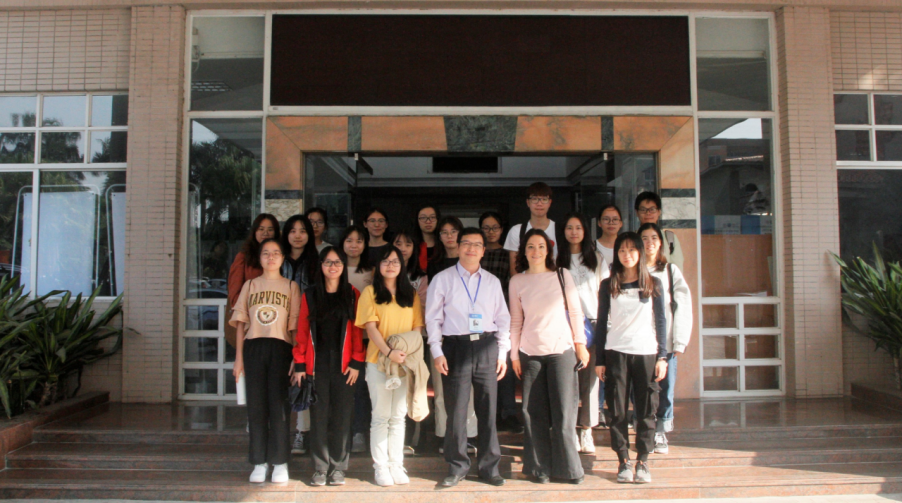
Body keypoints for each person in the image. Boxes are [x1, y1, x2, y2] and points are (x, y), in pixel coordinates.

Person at [426, 227, 511, 488]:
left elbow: (503, 319)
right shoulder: (442, 279)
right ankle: (457, 466)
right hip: (455, 348)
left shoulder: (492, 282)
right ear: (458, 246)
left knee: (488, 410)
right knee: (456, 411)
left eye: (477, 244)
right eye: (466, 243)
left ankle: (489, 467)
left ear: (483, 251)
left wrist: (503, 352)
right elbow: (432, 318)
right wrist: (437, 351)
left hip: (487, 346)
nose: (471, 248)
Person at [509, 229, 588, 485]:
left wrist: (580, 344)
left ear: (548, 250)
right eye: (530, 246)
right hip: (530, 353)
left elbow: (575, 312)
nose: (536, 251)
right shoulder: (517, 281)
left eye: (541, 246)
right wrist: (514, 355)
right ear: (524, 251)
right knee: (533, 414)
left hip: (561, 351)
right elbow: (515, 321)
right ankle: (538, 469)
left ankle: (570, 470)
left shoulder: (562, 275)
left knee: (564, 413)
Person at [595, 232, 667, 485]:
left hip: (646, 352)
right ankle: (623, 460)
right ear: (616, 254)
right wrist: (599, 359)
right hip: (616, 352)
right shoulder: (608, 284)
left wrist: (663, 356)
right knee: (617, 410)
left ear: (641, 252)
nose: (627, 255)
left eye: (632, 250)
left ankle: (643, 461)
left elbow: (661, 321)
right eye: (622, 250)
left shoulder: (653, 283)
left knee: (647, 409)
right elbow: (601, 321)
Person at [230, 238, 301, 484]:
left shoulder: (291, 286)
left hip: (281, 349)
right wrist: (239, 359)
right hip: (254, 347)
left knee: (279, 407)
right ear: (259, 258)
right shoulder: (250, 285)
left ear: (283, 258)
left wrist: (296, 356)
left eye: (276, 253)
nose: (271, 257)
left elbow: (294, 325)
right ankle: (259, 461)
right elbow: (241, 324)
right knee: (256, 407)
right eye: (266, 253)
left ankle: (280, 462)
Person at [293, 246, 365, 486]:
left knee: (342, 417)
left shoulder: (352, 294)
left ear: (343, 267)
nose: (333, 267)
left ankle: (338, 468)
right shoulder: (310, 295)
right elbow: (302, 331)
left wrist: (356, 361)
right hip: (317, 365)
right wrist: (300, 363)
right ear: (321, 266)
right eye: (328, 262)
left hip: (345, 366)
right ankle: (320, 468)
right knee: (319, 417)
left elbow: (358, 331)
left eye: (337, 262)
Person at [355, 246, 425, 487]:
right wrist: (389, 352)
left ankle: (396, 464)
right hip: (378, 361)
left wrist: (406, 354)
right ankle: (381, 467)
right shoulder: (370, 292)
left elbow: (417, 328)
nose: (391, 265)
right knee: (381, 416)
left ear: (402, 265)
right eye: (385, 261)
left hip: (404, 363)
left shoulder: (411, 294)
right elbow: (370, 328)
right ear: (378, 266)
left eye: (395, 261)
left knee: (398, 416)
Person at [638, 223, 693, 456]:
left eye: (654, 238)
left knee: (665, 387)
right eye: (644, 238)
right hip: (639, 341)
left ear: (660, 243)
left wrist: (679, 341)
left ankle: (661, 430)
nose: (649, 242)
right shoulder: (631, 270)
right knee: (641, 389)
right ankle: (644, 430)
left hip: (665, 341)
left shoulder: (670, 271)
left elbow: (683, 306)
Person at [557, 212, 609, 453]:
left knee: (590, 381)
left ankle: (586, 429)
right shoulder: (556, 259)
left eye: (578, 227)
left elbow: (606, 291)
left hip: (593, 323)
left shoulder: (596, 258)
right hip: (564, 324)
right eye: (569, 227)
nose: (574, 232)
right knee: (567, 378)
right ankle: (568, 429)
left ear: (585, 231)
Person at [279, 215, 320, 456]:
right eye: (292, 230)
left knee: (302, 379)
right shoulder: (278, 260)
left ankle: (302, 432)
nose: (297, 235)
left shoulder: (316, 262)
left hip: (306, 328)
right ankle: (279, 432)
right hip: (278, 329)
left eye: (302, 231)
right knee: (280, 380)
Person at [479, 211, 519, 433]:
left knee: (506, 364)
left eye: (494, 227)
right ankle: (490, 415)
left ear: (502, 230)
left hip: (504, 312)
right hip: (480, 315)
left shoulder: (507, 254)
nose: (490, 232)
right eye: (486, 228)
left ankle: (509, 412)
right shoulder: (477, 254)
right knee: (485, 365)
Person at [393, 228, 429, 455]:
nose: (403, 249)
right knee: (394, 388)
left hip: (414, 339)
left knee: (414, 386)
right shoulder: (384, 274)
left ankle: (414, 439)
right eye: (398, 243)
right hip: (389, 340)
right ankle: (396, 437)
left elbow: (422, 308)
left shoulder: (420, 277)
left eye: (408, 244)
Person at [341, 224, 375, 454]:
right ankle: (341, 432)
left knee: (363, 387)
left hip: (365, 338)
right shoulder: (335, 267)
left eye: (359, 241)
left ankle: (360, 431)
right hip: (341, 338)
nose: (354, 245)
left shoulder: (372, 271)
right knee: (343, 387)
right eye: (349, 240)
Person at [227, 214, 280, 347]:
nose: (265, 233)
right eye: (261, 229)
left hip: (277, 322)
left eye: (270, 229)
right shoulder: (244, 257)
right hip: (251, 322)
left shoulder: (281, 256)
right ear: (254, 232)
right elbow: (235, 294)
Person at [505, 182, 558, 278]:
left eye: (544, 199)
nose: (539, 203)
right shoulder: (517, 231)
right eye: (535, 199)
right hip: (526, 283)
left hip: (554, 283)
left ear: (550, 203)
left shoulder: (560, 230)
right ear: (528, 202)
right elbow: (514, 270)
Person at [635, 192, 684, 271]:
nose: (648, 213)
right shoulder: (632, 237)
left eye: (652, 209)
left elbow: (677, 270)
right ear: (637, 212)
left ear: (659, 212)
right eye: (643, 210)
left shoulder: (669, 238)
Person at [427, 216, 463, 281]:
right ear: (440, 237)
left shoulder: (468, 260)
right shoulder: (433, 264)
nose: (449, 236)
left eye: (453, 231)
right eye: (444, 232)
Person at [416, 206, 440, 272]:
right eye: (423, 218)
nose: (428, 221)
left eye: (432, 217)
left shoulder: (444, 244)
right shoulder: (411, 245)